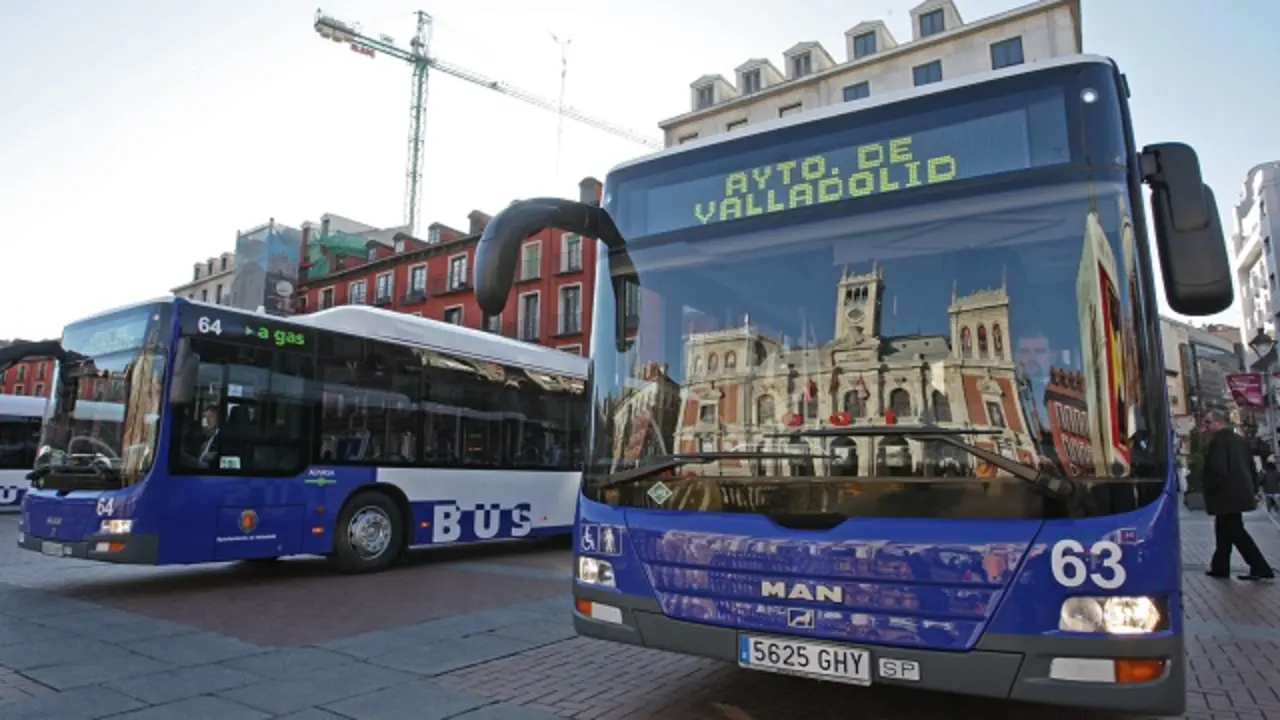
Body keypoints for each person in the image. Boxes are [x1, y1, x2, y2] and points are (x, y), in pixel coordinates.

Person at [1201, 411, 1274, 581]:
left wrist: (1210, 489)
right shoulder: (1240, 441)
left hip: (1225, 494)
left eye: (1207, 422)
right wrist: (1253, 488)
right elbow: (1251, 467)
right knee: (1224, 530)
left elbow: (1217, 469)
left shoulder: (1218, 442)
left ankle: (1260, 567)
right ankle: (1220, 567)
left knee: (1236, 532)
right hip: (1240, 492)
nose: (1205, 426)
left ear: (1219, 423)